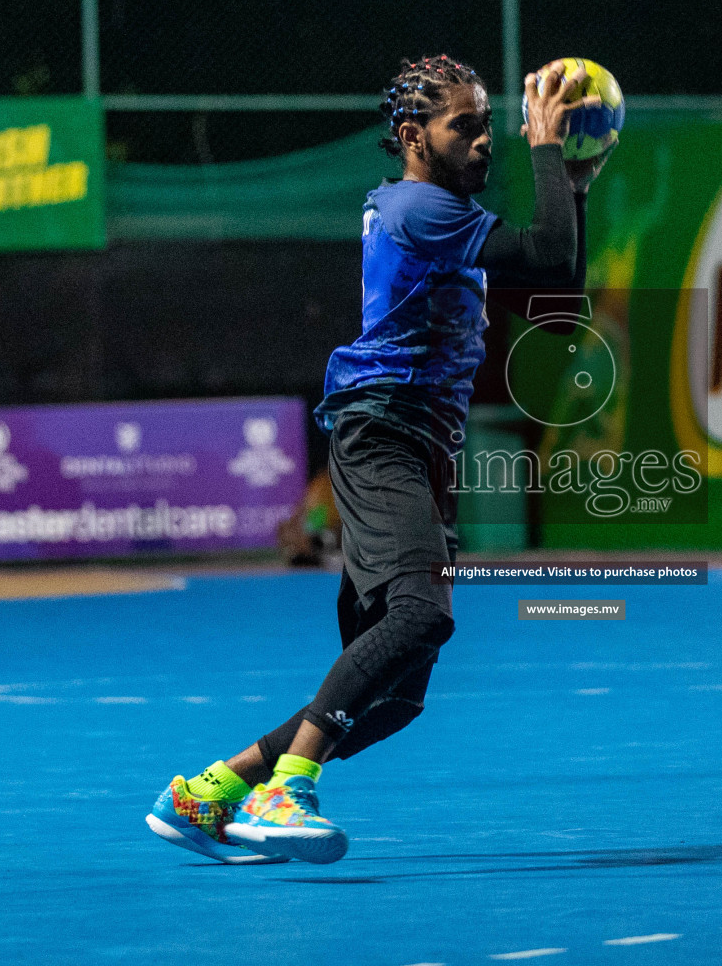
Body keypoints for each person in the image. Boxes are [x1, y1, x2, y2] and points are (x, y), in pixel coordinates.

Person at [145, 54, 607, 864]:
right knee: (420, 615)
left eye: (488, 127)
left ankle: (210, 791)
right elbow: (540, 253)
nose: (482, 142)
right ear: (410, 137)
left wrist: (574, 184)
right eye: (462, 125)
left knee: (399, 694)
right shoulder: (419, 207)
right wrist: (548, 154)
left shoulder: (443, 213)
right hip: (382, 431)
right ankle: (287, 793)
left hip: (417, 449)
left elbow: (557, 282)